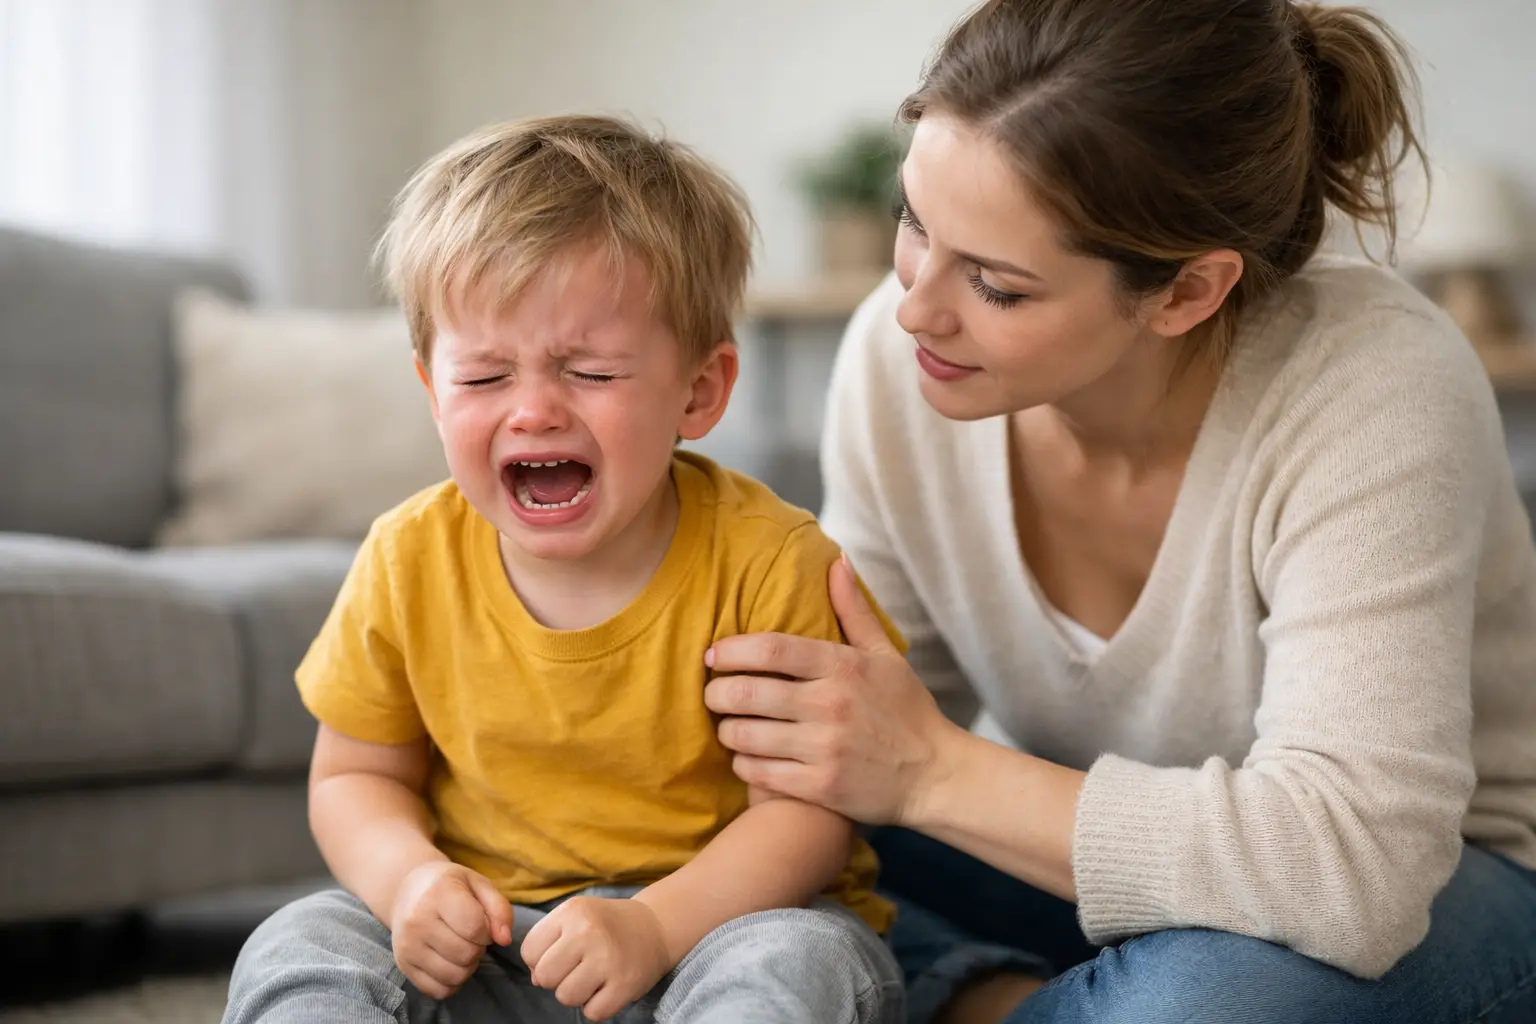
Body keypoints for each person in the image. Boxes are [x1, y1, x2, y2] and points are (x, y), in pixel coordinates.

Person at [700, 2, 1536, 1022]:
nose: (915, 304)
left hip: (1441, 885)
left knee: (1206, 1002)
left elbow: (1353, 873)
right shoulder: (897, 354)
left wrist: (927, 769)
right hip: (1082, 860)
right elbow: (864, 708)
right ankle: (1006, 997)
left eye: (998, 286)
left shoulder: (1373, 385)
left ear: (1186, 291)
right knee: (698, 862)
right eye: (915, 219)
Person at [221, 114, 904, 1024]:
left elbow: (814, 811)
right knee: (304, 937)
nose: (534, 412)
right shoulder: (406, 557)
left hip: (713, 935)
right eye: (484, 378)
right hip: (492, 951)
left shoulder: (771, 561)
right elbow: (354, 780)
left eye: (589, 371)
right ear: (432, 390)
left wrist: (657, 926)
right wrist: (414, 884)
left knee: (802, 959)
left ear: (698, 391)